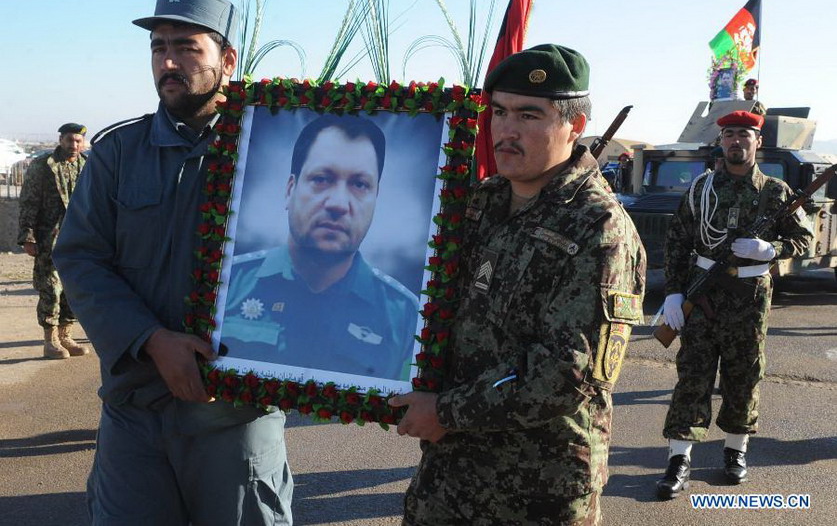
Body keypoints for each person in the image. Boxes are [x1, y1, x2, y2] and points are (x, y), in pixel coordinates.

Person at [52, 0, 293, 525]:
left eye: (187, 47)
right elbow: (81, 257)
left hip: (234, 416)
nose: (168, 61)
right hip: (135, 411)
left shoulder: (272, 148)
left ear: (227, 59)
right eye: (159, 47)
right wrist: (152, 341)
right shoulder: (118, 153)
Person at [389, 44, 647, 524]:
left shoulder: (598, 228)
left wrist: (445, 412)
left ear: (575, 125)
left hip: (537, 487)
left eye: (530, 115)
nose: (506, 130)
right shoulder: (480, 203)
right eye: (500, 112)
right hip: (450, 473)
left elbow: (567, 372)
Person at [656, 110, 812, 499]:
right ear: (720, 142)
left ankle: (735, 452)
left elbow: (804, 240)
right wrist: (674, 292)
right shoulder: (700, 190)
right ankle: (679, 460)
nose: (736, 141)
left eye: (745, 134)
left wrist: (771, 249)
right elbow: (677, 242)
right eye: (729, 135)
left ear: (758, 142)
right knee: (693, 375)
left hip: (749, 300)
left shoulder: (775, 193)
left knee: (744, 375)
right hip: (703, 296)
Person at [221, 114, 419, 380]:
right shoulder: (227, 283)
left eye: (360, 185)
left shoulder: (405, 317)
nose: (338, 203)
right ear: (290, 189)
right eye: (322, 179)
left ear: (375, 200)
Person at [18, 123, 89, 359]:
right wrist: (28, 236)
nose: (74, 145)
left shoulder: (87, 166)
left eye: (78, 140)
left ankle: (66, 336)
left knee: (73, 287)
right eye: (70, 140)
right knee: (50, 288)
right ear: (61, 140)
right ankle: (50, 341)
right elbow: (29, 201)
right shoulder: (44, 166)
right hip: (49, 238)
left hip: (78, 240)